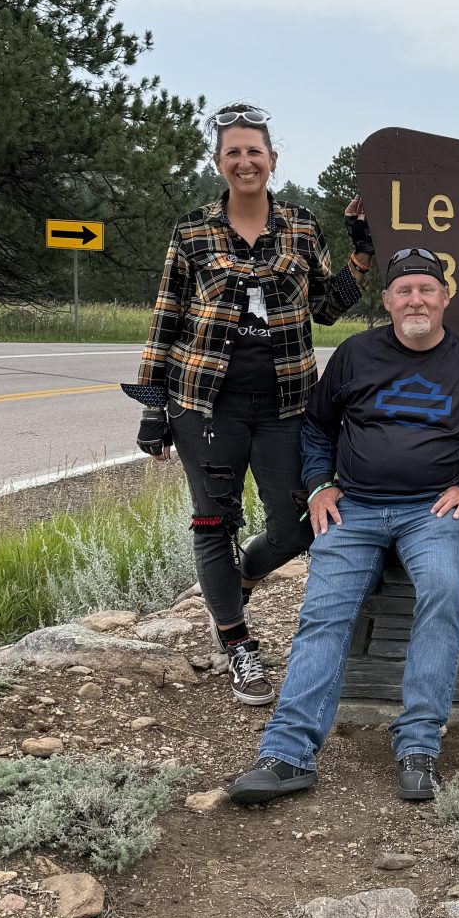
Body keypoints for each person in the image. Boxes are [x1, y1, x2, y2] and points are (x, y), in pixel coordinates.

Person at [225, 247, 459, 807]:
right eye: (404, 290)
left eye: (427, 290)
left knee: (443, 592)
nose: (416, 299)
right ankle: (286, 754)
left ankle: (418, 747)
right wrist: (319, 486)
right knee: (322, 613)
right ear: (387, 301)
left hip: (432, 511)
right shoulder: (357, 354)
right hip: (353, 506)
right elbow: (316, 428)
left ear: (445, 298)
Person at [126, 104, 372, 706]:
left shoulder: (300, 226)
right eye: (233, 153)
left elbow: (327, 307)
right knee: (215, 521)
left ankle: (241, 579)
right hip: (204, 404)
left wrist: (362, 248)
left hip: (288, 402)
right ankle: (238, 644)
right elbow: (166, 318)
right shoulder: (191, 232)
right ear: (219, 162)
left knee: (296, 526)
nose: (245, 162)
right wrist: (153, 407)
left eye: (254, 152)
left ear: (272, 160)